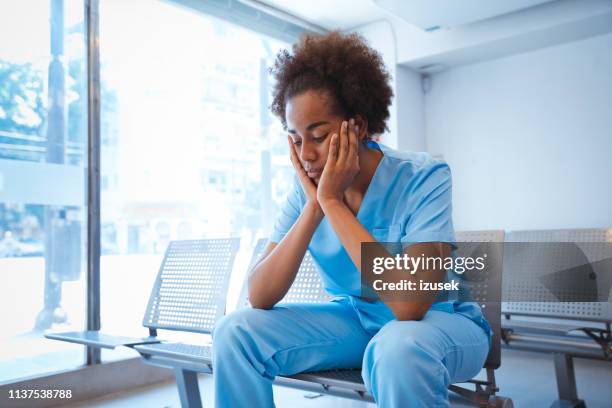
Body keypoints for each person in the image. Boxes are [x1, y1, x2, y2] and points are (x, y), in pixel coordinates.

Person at [212, 31, 492, 408]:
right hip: (356, 322)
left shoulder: (424, 176)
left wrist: (332, 201)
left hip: (439, 324)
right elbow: (259, 294)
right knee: (236, 332)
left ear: (357, 127)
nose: (306, 154)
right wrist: (314, 207)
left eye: (319, 135)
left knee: (398, 346)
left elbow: (410, 306)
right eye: (295, 139)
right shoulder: (304, 192)